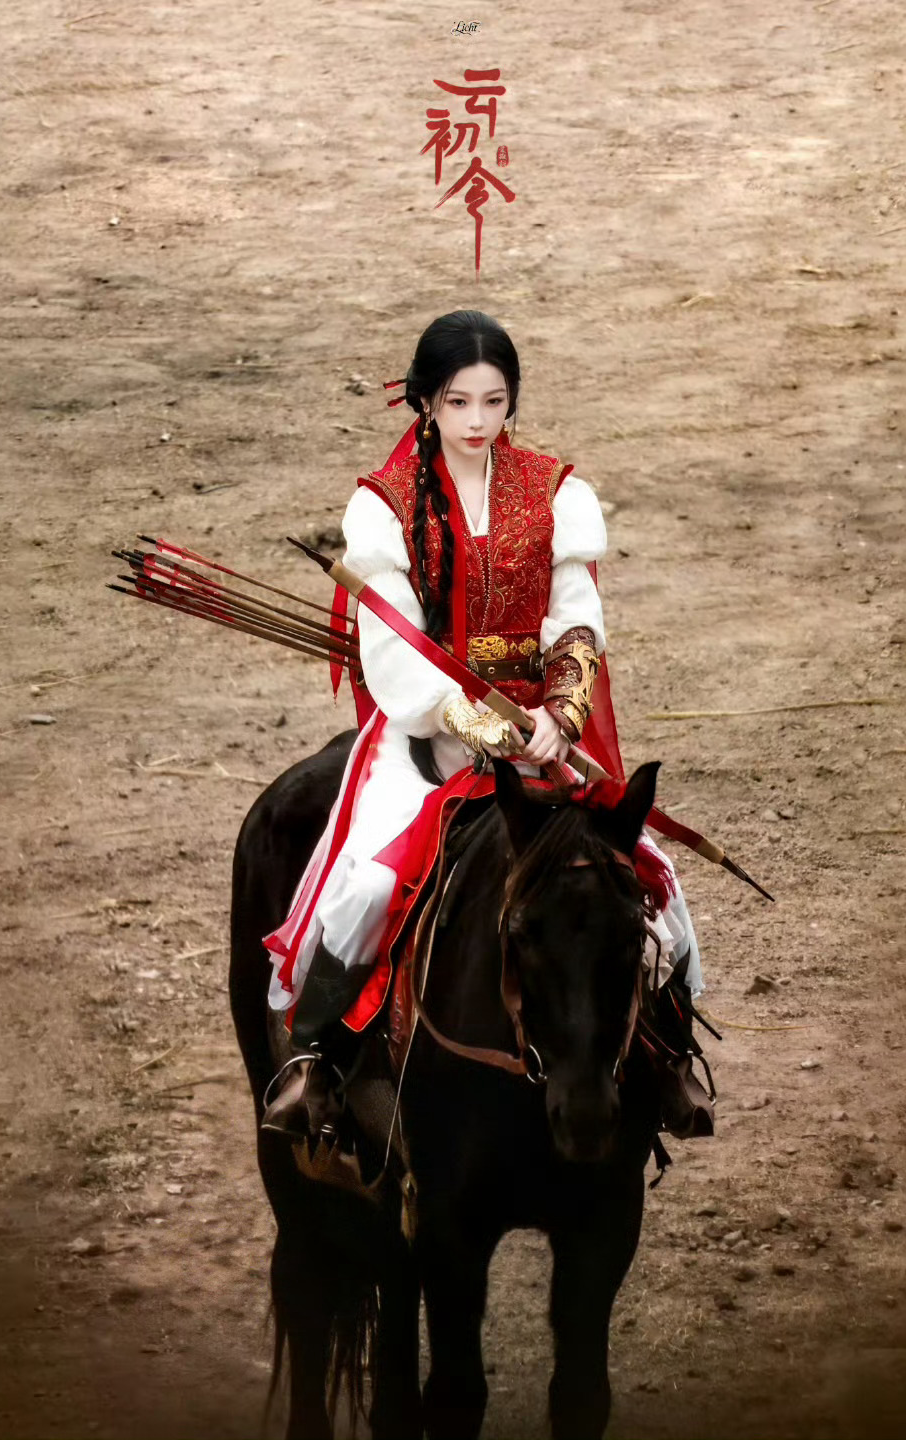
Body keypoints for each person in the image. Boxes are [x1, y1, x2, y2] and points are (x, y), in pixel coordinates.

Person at [260, 310, 707, 1139]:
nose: (476, 422)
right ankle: (316, 1062)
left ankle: (670, 1055)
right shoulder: (383, 507)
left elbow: (575, 620)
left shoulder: (555, 492)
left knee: (656, 885)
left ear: (512, 401)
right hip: (425, 741)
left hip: (540, 738)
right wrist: (482, 727)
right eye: (458, 402)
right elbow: (392, 655)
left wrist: (561, 713)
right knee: (366, 890)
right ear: (426, 402)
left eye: (493, 402)